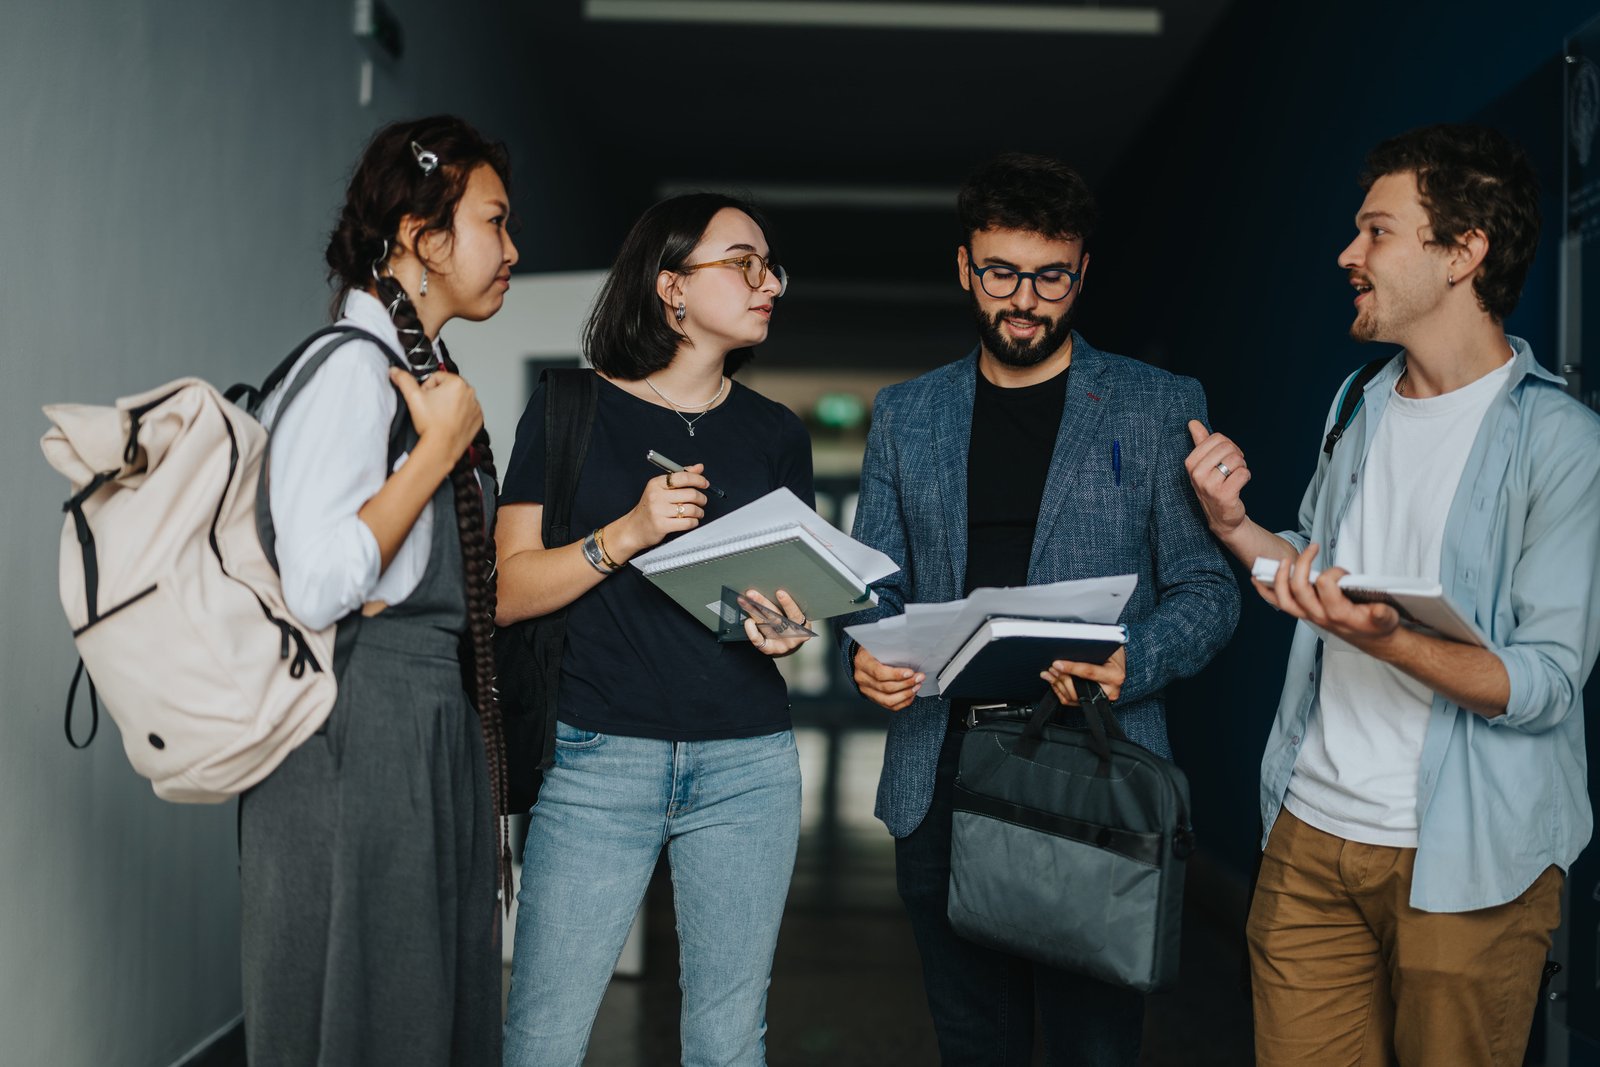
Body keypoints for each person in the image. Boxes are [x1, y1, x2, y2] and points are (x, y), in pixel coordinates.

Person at [1186, 123, 1600, 1066]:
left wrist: (1387, 640)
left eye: (1376, 231)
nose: (1349, 253)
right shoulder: (1357, 403)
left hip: (1470, 864)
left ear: (1463, 252)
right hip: (1309, 836)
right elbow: (1317, 567)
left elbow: (1542, 683)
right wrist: (1235, 526)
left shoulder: (1563, 444)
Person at [839, 152, 1240, 1065]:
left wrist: (1135, 657)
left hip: (1096, 765)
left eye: (1050, 276)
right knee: (972, 1046)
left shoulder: (1157, 405)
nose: (1024, 300)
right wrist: (869, 648)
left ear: (1082, 272)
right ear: (964, 267)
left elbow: (1209, 591)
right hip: (940, 770)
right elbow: (876, 582)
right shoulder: (906, 414)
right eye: (1001, 273)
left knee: (1092, 1047)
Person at [497, 193, 813, 1066]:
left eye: (771, 268)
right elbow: (507, 590)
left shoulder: (776, 433)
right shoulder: (568, 409)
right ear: (671, 287)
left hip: (749, 764)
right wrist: (627, 533)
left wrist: (781, 628)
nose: (769, 284)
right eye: (743, 264)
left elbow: (782, 594)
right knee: (543, 1038)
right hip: (596, 760)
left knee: (727, 1040)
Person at [236, 115, 517, 1066]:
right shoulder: (355, 373)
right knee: (371, 1014)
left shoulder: (411, 372)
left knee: (414, 1009)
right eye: (494, 222)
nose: (512, 250)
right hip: (362, 733)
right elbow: (316, 584)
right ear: (420, 237)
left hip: (417, 730)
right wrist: (438, 450)